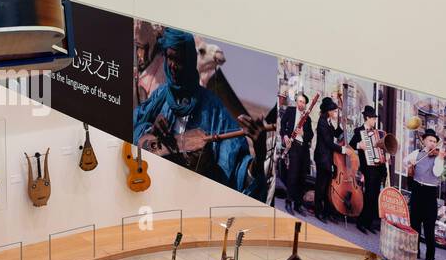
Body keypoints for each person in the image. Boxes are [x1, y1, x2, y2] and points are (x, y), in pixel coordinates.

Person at [133, 28, 268, 197]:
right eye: (169, 58)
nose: (173, 66)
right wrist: (150, 130)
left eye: (179, 60)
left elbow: (238, 172)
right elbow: (132, 128)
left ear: (189, 61)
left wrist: (259, 156)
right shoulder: (159, 97)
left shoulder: (214, 111)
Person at [405, 130, 446, 260]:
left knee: (429, 226)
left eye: (435, 141)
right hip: (417, 190)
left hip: (430, 192)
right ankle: (414, 251)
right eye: (430, 140)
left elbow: (437, 172)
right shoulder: (417, 153)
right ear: (424, 141)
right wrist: (410, 162)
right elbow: (406, 161)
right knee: (415, 223)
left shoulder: (437, 157)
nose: (433, 143)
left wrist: (440, 158)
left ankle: (430, 257)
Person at [349, 106, 387, 233]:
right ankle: (361, 222)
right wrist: (359, 145)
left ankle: (369, 223)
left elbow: (381, 148)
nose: (375, 121)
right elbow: (351, 144)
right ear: (367, 118)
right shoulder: (358, 131)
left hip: (377, 167)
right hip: (367, 167)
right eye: (373, 119)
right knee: (368, 195)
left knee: (375, 196)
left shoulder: (377, 133)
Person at [278, 92, 313, 215]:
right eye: (299, 101)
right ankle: (288, 202)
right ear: (296, 102)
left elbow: (311, 135)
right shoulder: (290, 111)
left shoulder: (307, 118)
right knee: (293, 176)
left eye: (303, 102)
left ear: (305, 104)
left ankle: (298, 205)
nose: (301, 104)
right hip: (293, 146)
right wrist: (285, 136)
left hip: (304, 149)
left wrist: (303, 133)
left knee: (302, 177)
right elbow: (282, 124)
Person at [312, 97, 346, 223]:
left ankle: (326, 212)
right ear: (328, 111)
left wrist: (341, 124)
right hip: (322, 157)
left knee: (327, 186)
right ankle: (318, 211)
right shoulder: (322, 122)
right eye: (333, 111)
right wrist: (342, 150)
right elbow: (328, 142)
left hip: (327, 158)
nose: (334, 113)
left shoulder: (329, 121)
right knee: (321, 186)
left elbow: (336, 134)